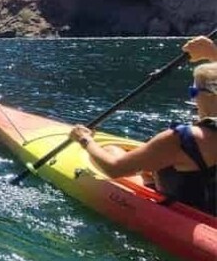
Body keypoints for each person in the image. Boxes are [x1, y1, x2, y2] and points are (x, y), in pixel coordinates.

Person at [69, 36, 217, 215]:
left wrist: (84, 139)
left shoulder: (182, 138)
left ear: (210, 95)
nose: (192, 98)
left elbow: (114, 168)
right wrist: (213, 53)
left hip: (185, 214)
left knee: (112, 151)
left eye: (193, 91)